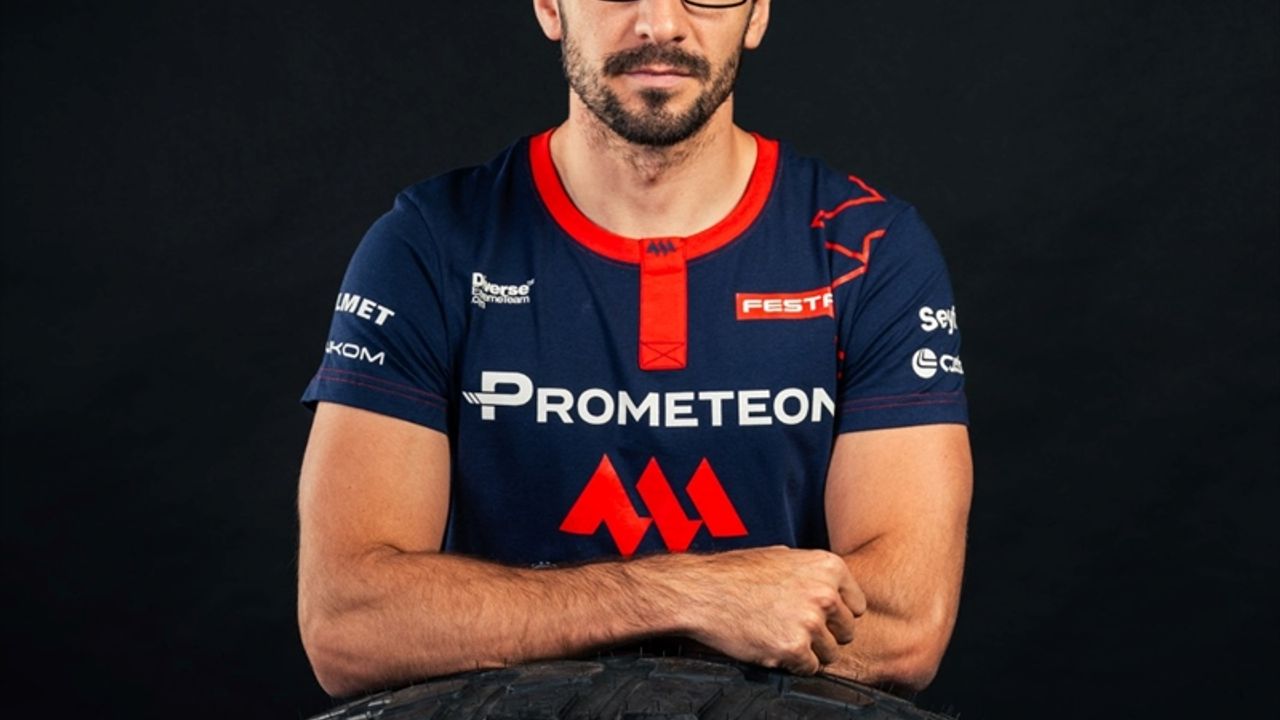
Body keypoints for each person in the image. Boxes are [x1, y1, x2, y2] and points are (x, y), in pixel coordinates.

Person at [297, 0, 972, 700]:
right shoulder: (431, 244)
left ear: (758, 14)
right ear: (550, 7)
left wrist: (542, 620)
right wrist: (686, 596)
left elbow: (905, 624)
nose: (660, 23)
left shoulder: (868, 249)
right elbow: (349, 623)